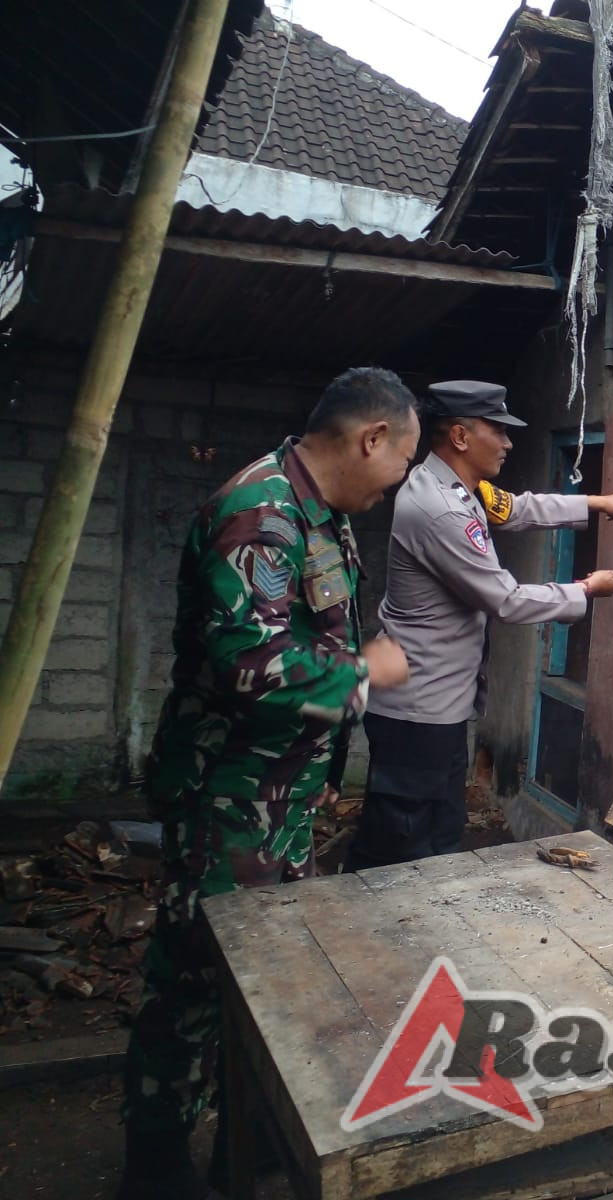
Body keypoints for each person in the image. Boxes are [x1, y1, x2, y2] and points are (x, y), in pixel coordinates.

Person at [119, 367, 419, 1199]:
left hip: (278, 794)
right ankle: (156, 1162)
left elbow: (311, 634)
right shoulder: (261, 514)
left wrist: (318, 768)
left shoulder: (323, 517)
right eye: (402, 462)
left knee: (266, 981)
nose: (397, 482)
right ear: (371, 439)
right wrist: (366, 674)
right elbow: (251, 665)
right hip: (226, 795)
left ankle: (243, 1140)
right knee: (195, 978)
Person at [346, 380, 613, 871]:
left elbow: (516, 508)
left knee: (435, 833)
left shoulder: (456, 488)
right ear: (460, 436)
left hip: (435, 703)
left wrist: (595, 503)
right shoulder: (442, 510)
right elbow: (505, 599)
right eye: (498, 431)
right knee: (401, 848)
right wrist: (586, 591)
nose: (507, 443)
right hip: (418, 712)